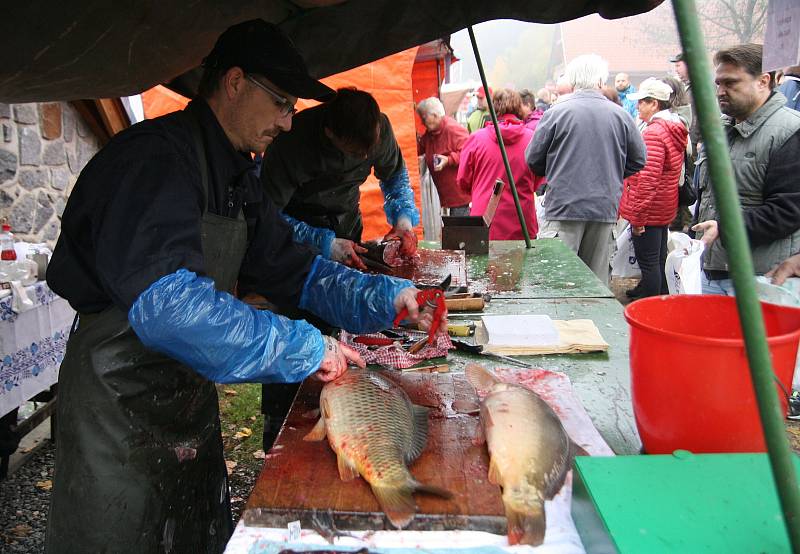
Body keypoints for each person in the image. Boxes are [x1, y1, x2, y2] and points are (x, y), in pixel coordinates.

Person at [43, 20, 445, 553]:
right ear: (234, 83)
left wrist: (386, 300)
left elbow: (294, 267)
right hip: (117, 401)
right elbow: (170, 308)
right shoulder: (155, 161)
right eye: (281, 103)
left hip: (186, 395)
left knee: (194, 534)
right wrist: (305, 345)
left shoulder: (237, 175)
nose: (286, 122)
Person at [261, 87, 419, 270]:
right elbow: (268, 214)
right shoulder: (290, 141)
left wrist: (403, 221)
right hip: (298, 236)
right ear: (330, 133)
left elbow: (395, 178)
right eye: (355, 152)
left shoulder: (381, 127)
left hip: (348, 224)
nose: (365, 158)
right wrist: (324, 243)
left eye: (370, 150)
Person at [526, 54, 646, 285]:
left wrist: (558, 170)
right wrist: (610, 172)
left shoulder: (556, 113)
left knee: (557, 285)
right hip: (604, 208)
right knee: (596, 287)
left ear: (572, 81)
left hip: (563, 206)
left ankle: (560, 323)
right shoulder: (621, 115)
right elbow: (638, 159)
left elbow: (533, 159)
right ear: (601, 81)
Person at [691, 44, 800, 295]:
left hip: (760, 278)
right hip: (709, 269)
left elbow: (788, 210)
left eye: (730, 83)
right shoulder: (719, 129)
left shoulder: (790, 132)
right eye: (717, 83)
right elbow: (707, 197)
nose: (720, 91)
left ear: (763, 81)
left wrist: (725, 228)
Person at [619, 78, 688, 299]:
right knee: (658, 257)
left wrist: (638, 218)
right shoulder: (674, 128)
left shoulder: (654, 133)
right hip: (664, 205)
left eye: (642, 102)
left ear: (654, 104)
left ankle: (651, 304)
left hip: (650, 209)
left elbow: (647, 179)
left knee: (648, 262)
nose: (638, 107)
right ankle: (661, 295)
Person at [458, 89, 543, 240]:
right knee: (521, 264)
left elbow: (463, 181)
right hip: (521, 222)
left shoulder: (476, 139)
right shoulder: (532, 139)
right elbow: (538, 179)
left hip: (485, 222)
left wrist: (480, 188)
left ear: (493, 107)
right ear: (519, 107)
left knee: (484, 264)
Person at [416, 97, 471, 216]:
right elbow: (418, 148)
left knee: (460, 230)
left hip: (460, 197)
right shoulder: (430, 134)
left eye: (424, 118)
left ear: (435, 115)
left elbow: (469, 153)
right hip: (449, 197)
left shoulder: (452, 129)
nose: (422, 122)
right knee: (454, 230)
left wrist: (449, 160)